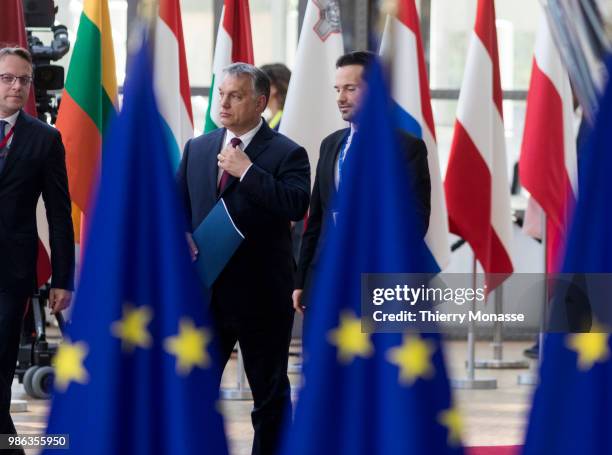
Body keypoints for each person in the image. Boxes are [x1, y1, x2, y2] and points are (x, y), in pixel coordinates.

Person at [176, 63, 310, 455]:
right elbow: (175, 205)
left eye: (236, 96)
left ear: (261, 102)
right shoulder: (198, 148)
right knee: (192, 390)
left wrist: (248, 171)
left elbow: (296, 203)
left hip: (262, 296)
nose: (225, 103)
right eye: (222, 94)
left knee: (268, 395)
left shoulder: (288, 152)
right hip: (207, 295)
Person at [292, 51, 431, 314]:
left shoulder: (405, 148)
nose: (340, 98)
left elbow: (416, 220)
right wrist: (302, 281)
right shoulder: (331, 144)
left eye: (350, 89)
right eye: (337, 89)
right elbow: (316, 220)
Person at [0, 47, 74, 451]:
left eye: (23, 79)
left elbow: (60, 215)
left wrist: (64, 279)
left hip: (11, 274)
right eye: (7, 77)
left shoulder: (45, 138)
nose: (16, 86)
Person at [259, 63, 291, 131]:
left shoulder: (284, 122)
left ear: (273, 88)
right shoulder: (271, 120)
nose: (255, 90)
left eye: (259, 85)